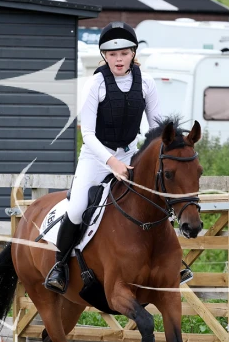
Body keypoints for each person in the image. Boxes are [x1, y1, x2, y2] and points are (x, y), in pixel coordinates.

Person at [44, 22, 161, 294]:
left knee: (156, 200)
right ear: (104, 55)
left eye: (124, 53)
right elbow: (87, 134)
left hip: (130, 153)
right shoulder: (95, 84)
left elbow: (156, 127)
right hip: (96, 157)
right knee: (76, 209)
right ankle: (59, 265)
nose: (118, 59)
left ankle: (168, 261)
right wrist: (113, 163)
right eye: (112, 54)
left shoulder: (147, 83)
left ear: (133, 53)